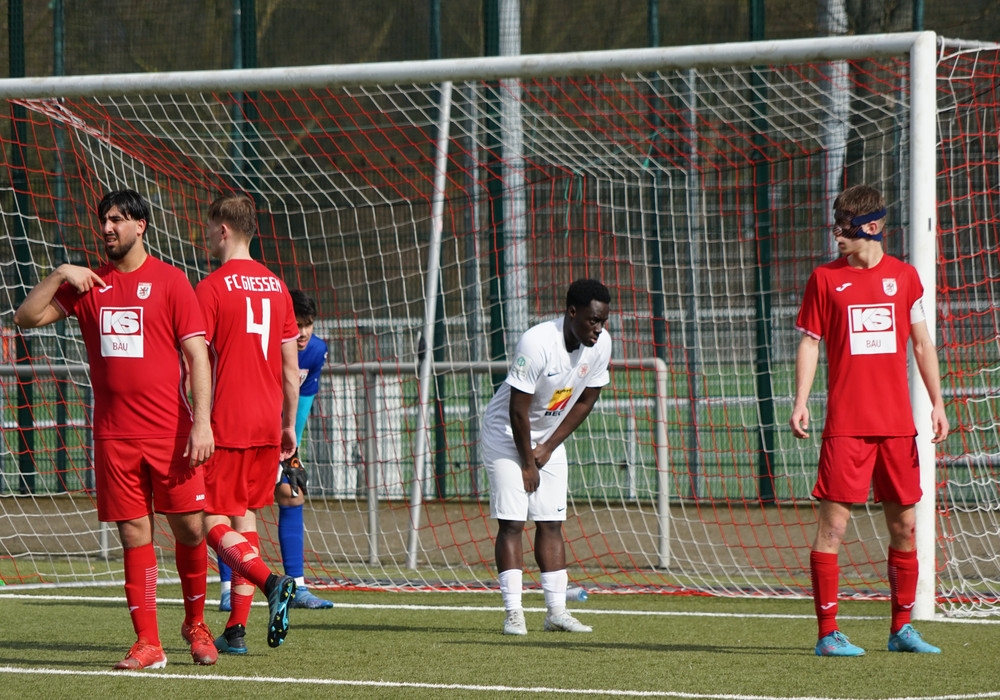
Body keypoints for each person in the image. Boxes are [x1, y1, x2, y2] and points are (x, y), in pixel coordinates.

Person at [13, 189, 218, 670]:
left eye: (118, 219)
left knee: (190, 530)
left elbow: (197, 357)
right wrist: (60, 273)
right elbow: (25, 317)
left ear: (140, 226)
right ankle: (148, 643)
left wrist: (203, 423)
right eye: (104, 220)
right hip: (113, 435)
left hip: (171, 432)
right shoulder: (88, 285)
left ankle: (195, 623)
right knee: (133, 535)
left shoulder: (172, 281)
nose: (108, 228)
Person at [789, 184, 950, 657]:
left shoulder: (905, 278)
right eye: (836, 227)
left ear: (871, 227)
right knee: (833, 530)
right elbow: (810, 341)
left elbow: (922, 343)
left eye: (844, 228)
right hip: (845, 426)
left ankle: (902, 630)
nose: (836, 236)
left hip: (897, 426)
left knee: (905, 529)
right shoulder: (824, 279)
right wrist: (801, 400)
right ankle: (827, 634)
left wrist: (938, 403)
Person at [195, 192, 299, 655]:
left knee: (207, 519)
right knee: (244, 517)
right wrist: (289, 426)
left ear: (223, 230)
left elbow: (196, 360)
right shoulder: (278, 287)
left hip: (227, 420)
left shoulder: (212, 287)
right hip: (267, 422)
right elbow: (291, 370)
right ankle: (236, 630)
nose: (205, 236)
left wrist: (198, 418)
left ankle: (271, 581)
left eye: (208, 228)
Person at [481, 278, 612, 636]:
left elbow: (586, 400)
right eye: (592, 320)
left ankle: (556, 613)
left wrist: (549, 447)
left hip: (546, 439)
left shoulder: (601, 345)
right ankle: (514, 614)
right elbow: (517, 410)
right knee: (512, 521)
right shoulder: (537, 342)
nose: (599, 329)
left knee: (551, 521)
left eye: (603, 321)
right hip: (506, 434)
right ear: (572, 312)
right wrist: (527, 463)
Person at [218, 289, 333, 611]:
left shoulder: (316, 351)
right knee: (234, 506)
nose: (303, 332)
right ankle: (228, 589)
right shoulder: (262, 348)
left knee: (292, 493)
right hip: (244, 431)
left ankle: (297, 586)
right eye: (297, 324)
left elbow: (301, 406)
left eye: (308, 324)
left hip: (279, 437)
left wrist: (290, 452)